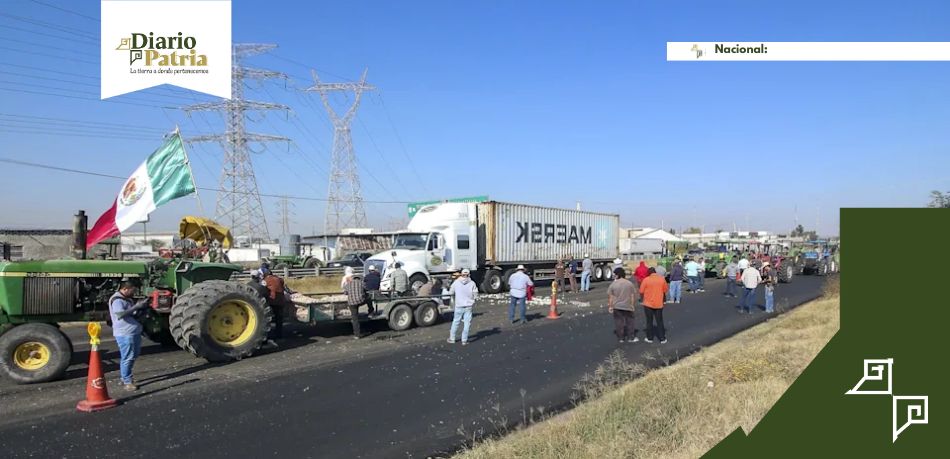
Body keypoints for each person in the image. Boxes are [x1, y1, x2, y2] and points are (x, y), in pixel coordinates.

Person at [110, 281, 147, 390]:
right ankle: (127, 381)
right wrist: (136, 306)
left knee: (133, 355)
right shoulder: (117, 300)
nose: (133, 293)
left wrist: (141, 307)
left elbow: (131, 313)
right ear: (125, 289)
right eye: (132, 290)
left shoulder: (127, 299)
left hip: (133, 332)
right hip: (125, 333)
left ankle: (126, 377)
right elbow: (120, 314)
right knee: (128, 357)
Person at [607, 268, 638, 343]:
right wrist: (632, 305)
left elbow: (611, 297)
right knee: (630, 322)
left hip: (617, 306)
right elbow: (632, 296)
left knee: (619, 322)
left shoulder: (613, 284)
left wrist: (610, 306)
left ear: (617, 275)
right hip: (627, 306)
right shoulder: (629, 284)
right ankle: (631, 337)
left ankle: (621, 338)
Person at [448, 269, 478, 345]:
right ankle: (464, 340)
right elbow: (475, 293)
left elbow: (451, 292)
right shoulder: (472, 283)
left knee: (456, 321)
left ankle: (452, 338)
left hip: (459, 305)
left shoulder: (456, 282)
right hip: (468, 306)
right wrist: (474, 300)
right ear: (469, 275)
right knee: (467, 323)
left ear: (461, 274)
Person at [639, 267, 669, 344]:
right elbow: (665, 290)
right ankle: (662, 338)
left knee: (649, 321)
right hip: (658, 303)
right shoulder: (661, 279)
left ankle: (650, 338)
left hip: (648, 304)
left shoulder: (646, 280)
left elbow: (641, 291)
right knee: (660, 321)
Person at [263, 270, 290, 341]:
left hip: (272, 301)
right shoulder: (279, 279)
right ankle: (279, 334)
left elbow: (263, 289)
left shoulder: (266, 280)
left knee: (268, 317)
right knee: (279, 319)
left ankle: (269, 334)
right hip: (281, 301)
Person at [342, 269, 366, 339]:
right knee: (368, 298)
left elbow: (345, 292)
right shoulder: (361, 283)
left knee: (355, 318)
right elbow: (366, 289)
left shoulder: (349, 283)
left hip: (352, 302)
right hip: (360, 301)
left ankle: (357, 335)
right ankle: (371, 311)